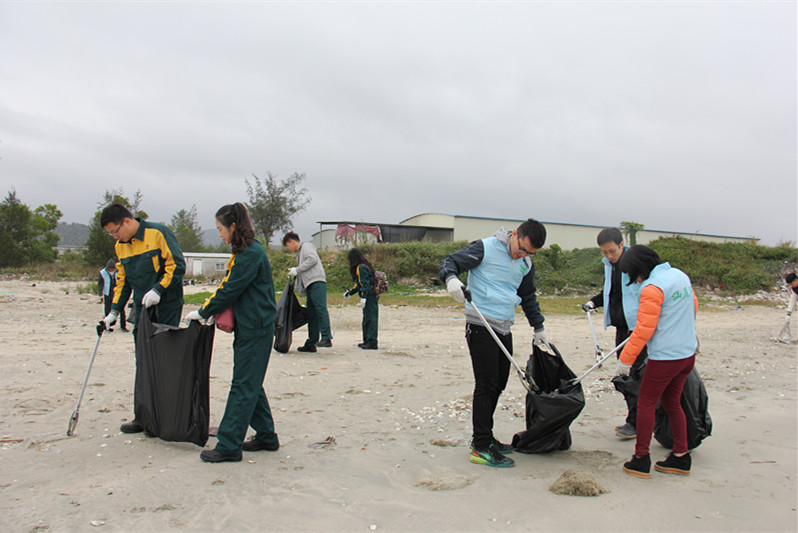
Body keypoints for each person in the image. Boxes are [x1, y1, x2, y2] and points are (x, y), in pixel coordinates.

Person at [439, 219, 549, 468]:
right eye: (522, 248)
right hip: (480, 323)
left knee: (499, 382)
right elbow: (450, 261)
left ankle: (486, 437)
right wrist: (451, 279)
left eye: (529, 253)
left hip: (503, 325)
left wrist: (538, 326)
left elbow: (528, 295)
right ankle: (480, 447)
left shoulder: (525, 263)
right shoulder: (484, 248)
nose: (522, 255)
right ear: (515, 234)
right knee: (487, 384)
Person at [185, 203, 280, 463]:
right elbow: (230, 287)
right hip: (253, 326)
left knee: (242, 386)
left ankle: (228, 445)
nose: (219, 234)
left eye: (219, 229)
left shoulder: (250, 253)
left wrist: (203, 311)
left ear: (233, 226)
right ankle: (267, 437)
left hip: (256, 328)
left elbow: (230, 289)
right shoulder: (246, 251)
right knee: (250, 383)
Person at [100, 203, 185, 434]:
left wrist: (158, 289)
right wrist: (114, 312)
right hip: (142, 308)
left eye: (114, 231)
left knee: (163, 358)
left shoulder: (157, 233)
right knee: (143, 359)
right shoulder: (121, 247)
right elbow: (123, 281)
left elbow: (177, 266)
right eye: (110, 234)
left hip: (166, 304)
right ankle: (143, 416)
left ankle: (166, 416)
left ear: (127, 221)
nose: (114, 236)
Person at [616, 245, 698, 479]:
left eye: (632, 274)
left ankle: (641, 459)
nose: (634, 279)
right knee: (673, 402)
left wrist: (625, 360)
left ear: (639, 268)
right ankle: (681, 457)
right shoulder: (680, 276)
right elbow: (693, 307)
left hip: (665, 358)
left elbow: (643, 330)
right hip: (687, 355)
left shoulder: (652, 287)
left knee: (646, 403)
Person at [582, 228, 645, 439]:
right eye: (604, 252)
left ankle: (636, 424)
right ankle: (635, 421)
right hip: (621, 328)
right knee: (625, 374)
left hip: (638, 330)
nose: (609, 256)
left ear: (621, 245)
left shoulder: (635, 263)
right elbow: (611, 292)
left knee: (635, 375)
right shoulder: (609, 266)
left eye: (612, 251)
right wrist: (593, 302)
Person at [281, 231, 332, 352]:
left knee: (320, 308)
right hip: (310, 285)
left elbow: (312, 259)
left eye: (288, 246)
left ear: (292, 242)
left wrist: (297, 269)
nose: (290, 249)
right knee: (311, 313)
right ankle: (311, 342)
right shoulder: (299, 253)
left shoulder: (306, 247)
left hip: (317, 282)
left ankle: (326, 337)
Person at [344, 248, 379, 349]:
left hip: (370, 296)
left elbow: (364, 284)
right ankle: (367, 340)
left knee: (371, 318)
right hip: (371, 295)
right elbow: (358, 284)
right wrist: (350, 293)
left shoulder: (361, 268)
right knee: (367, 318)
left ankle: (372, 342)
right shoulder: (364, 266)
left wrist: (363, 297)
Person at [98, 259, 127, 332]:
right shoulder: (102, 273)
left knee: (121, 310)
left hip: (117, 292)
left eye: (112, 269)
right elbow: (100, 284)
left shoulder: (119, 271)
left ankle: (123, 326)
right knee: (107, 310)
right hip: (107, 293)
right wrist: (100, 294)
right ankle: (108, 326)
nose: (111, 270)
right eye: (110, 269)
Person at [776, 272, 798, 343]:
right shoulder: (794, 289)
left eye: (792, 283)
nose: (791, 285)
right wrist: (789, 313)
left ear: (796, 280)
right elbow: (793, 299)